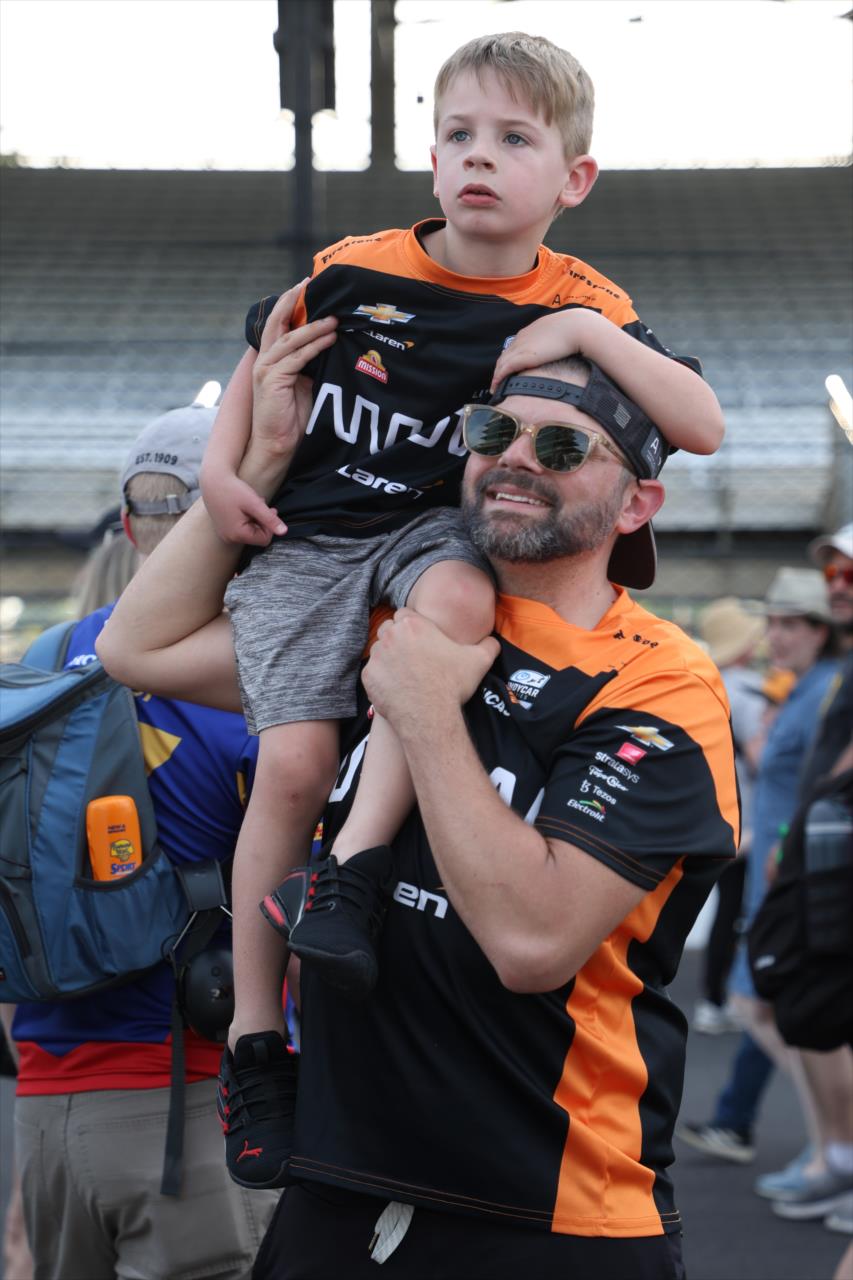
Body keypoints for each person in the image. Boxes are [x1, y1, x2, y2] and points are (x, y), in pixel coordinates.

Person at [97, 295, 737, 1279]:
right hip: (335, 1184)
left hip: (548, 1213)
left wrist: (427, 709)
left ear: (635, 504)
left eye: (562, 447)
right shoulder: (389, 621)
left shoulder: (658, 682)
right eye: (492, 433)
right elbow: (138, 646)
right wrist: (254, 466)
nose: (515, 459)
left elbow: (531, 942)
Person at [198, 30, 726, 1185]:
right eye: (458, 135)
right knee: (292, 762)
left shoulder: (584, 298)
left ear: (574, 179)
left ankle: (349, 875)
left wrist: (582, 333)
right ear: (432, 158)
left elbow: (700, 425)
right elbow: (262, 357)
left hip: (433, 532)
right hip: (317, 535)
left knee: (449, 619)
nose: (479, 156)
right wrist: (220, 474)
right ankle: (253, 1034)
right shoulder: (357, 266)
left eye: (513, 138)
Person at [9, 403, 280, 1280]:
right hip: (193, 1110)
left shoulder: (42, 663)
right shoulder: (261, 686)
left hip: (44, 1113)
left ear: (129, 528)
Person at [678, 568, 850, 1211]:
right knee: (775, 1013)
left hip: (800, 875)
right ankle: (830, 1150)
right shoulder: (803, 689)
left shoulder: (828, 687)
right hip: (779, 871)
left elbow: (824, 784)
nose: (778, 635)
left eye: (793, 623)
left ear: (821, 629)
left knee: (781, 1012)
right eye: (772, 623)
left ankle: (838, 1152)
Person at [692, 596, 766, 1035]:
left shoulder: (702, 682)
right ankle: (730, 995)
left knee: (723, 906)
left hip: (714, 815)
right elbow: (763, 760)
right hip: (752, 819)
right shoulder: (751, 693)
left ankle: (712, 997)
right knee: (743, 909)